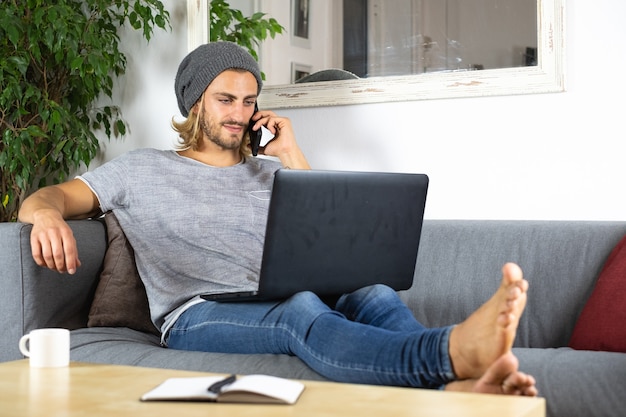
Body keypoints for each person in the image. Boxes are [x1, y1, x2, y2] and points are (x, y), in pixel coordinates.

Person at [19, 42, 537, 395]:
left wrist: (290, 152)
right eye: (225, 99)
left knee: (372, 292)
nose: (240, 113)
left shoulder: (271, 171)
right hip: (195, 313)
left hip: (276, 291)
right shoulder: (142, 169)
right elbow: (50, 197)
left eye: (248, 101)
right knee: (301, 310)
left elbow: (334, 237)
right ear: (193, 104)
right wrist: (44, 214)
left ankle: (451, 384)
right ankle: (448, 355)